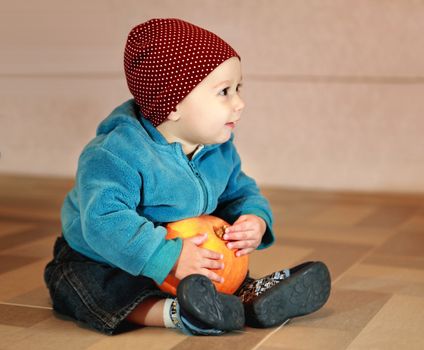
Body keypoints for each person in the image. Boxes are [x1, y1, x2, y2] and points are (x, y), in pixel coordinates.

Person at [44, 18, 331, 336]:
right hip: (103, 256)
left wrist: (254, 218)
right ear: (173, 104)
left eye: (238, 88)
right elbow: (103, 220)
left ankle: (247, 295)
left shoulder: (216, 148)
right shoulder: (115, 153)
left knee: (215, 268)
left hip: (187, 254)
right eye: (224, 92)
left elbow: (240, 191)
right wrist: (164, 256)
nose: (240, 103)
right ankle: (179, 312)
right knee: (95, 291)